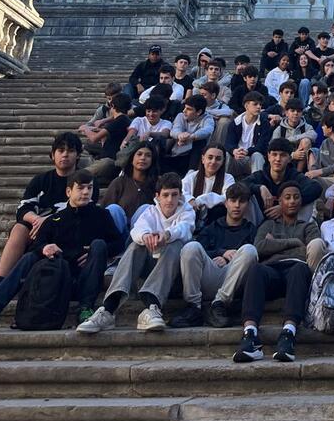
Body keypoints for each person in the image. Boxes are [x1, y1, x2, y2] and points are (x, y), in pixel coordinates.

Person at [0, 169, 121, 333]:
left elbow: (119, 243)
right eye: (81, 188)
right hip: (58, 282)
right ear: (69, 191)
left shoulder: (102, 215)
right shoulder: (55, 220)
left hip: (86, 281)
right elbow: (37, 245)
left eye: (89, 188)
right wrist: (45, 248)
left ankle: (86, 309)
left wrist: (94, 251)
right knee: (30, 257)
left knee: (99, 244)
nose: (86, 192)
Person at [78, 172, 196, 333]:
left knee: (174, 244)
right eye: (166, 195)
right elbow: (137, 229)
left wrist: (167, 235)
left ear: (180, 195)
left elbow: (185, 229)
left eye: (174, 195)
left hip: (176, 277)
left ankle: (152, 306)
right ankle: (108, 309)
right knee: (136, 245)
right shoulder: (150, 212)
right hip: (149, 271)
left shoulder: (187, 212)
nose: (170, 200)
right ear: (158, 196)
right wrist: (146, 236)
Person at [232, 182, 317, 363]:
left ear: (301, 201)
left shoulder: (309, 227)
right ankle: (250, 335)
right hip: (271, 271)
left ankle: (288, 334)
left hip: (296, 271)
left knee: (299, 269)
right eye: (287, 197)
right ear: (280, 201)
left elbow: (308, 251)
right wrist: (294, 242)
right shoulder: (268, 224)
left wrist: (274, 245)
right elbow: (259, 247)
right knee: (256, 269)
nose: (292, 201)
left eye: (296, 197)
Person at [0, 132, 82, 287]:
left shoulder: (84, 181)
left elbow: (81, 209)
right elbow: (23, 208)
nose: (65, 155)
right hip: (37, 231)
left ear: (77, 155)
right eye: (60, 150)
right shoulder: (41, 180)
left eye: (70, 151)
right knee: (19, 228)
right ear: (52, 155)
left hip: (67, 230)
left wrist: (48, 220)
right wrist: (37, 219)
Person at [172, 181, 258, 327]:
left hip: (234, 281)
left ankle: (219, 304)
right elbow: (200, 252)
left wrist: (233, 257)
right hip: (210, 274)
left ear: (247, 205)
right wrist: (222, 253)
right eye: (233, 200)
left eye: (241, 201)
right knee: (191, 247)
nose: (237, 205)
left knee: (250, 250)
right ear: (226, 203)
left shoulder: (252, 229)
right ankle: (193, 307)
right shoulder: (212, 227)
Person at [101, 141, 159, 224]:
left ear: (152, 161)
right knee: (114, 209)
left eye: (148, 155)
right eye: (139, 154)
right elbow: (105, 210)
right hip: (119, 231)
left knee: (146, 208)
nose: (143, 158)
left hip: (144, 233)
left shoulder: (158, 184)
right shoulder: (119, 182)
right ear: (132, 159)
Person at [224, 92, 274, 175]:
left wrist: (247, 151)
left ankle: (257, 184)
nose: (259, 107)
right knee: (226, 155)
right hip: (237, 158)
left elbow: (262, 146)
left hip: (252, 160)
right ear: (246, 106)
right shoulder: (235, 123)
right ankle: (221, 183)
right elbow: (228, 143)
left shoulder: (264, 124)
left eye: (260, 105)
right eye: (255, 104)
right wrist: (234, 151)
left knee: (257, 155)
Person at [181, 144, 234, 219]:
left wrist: (200, 200)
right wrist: (190, 199)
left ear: (223, 162)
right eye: (210, 157)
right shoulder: (192, 177)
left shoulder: (228, 178)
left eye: (218, 159)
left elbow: (228, 197)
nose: (213, 162)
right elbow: (181, 191)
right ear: (203, 159)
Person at [166, 94, 214, 167]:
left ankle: (191, 171)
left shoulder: (208, 119)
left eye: (189, 109)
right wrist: (180, 135)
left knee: (200, 142)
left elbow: (207, 130)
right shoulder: (181, 116)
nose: (184, 111)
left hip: (193, 156)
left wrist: (191, 137)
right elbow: (174, 130)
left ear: (199, 112)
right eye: (185, 108)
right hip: (176, 153)